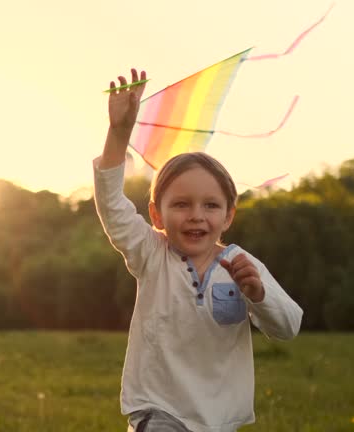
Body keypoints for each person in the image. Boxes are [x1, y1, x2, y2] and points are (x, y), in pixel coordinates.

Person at [93, 68, 303, 432]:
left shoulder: (241, 265)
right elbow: (112, 205)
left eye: (210, 206)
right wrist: (119, 133)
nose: (196, 217)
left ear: (228, 215)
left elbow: (288, 326)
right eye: (181, 205)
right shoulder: (151, 254)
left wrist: (258, 294)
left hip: (220, 422)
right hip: (160, 416)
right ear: (157, 214)